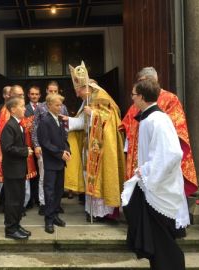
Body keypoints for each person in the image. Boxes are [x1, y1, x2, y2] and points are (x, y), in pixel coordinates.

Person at [122, 78, 188, 270]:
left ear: (141, 97)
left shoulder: (157, 120)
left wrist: (147, 172)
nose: (132, 99)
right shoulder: (149, 118)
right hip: (152, 188)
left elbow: (172, 154)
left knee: (162, 243)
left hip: (159, 191)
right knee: (155, 242)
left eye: (133, 95)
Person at [63, 61, 125, 222]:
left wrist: (94, 115)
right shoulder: (87, 101)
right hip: (89, 147)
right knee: (89, 177)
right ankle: (93, 211)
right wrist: (63, 121)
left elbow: (111, 121)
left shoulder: (102, 98)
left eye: (78, 91)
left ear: (85, 88)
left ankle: (105, 213)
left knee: (102, 178)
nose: (77, 95)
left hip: (103, 149)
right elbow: (81, 123)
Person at [121, 67, 198, 196]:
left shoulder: (169, 100)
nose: (133, 97)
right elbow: (128, 124)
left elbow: (176, 130)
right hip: (139, 154)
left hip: (158, 156)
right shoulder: (136, 104)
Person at [0, 85, 37, 215]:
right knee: (13, 191)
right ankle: (13, 218)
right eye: (19, 95)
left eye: (23, 95)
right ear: (11, 96)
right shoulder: (6, 113)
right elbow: (7, 139)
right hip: (13, 157)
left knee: (21, 189)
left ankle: (18, 212)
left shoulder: (18, 114)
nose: (22, 98)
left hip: (21, 155)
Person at [31, 81, 69, 215]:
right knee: (45, 179)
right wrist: (36, 145)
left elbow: (65, 129)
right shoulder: (41, 108)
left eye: (55, 91)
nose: (53, 93)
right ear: (47, 91)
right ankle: (44, 204)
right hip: (46, 150)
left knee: (58, 184)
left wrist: (66, 149)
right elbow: (35, 128)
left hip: (59, 151)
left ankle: (56, 206)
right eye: (51, 91)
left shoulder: (62, 107)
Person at [1, 97, 33, 240]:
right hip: (12, 171)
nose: (25, 108)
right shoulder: (9, 126)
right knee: (13, 200)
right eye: (22, 106)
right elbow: (7, 148)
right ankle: (10, 229)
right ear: (13, 109)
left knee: (19, 199)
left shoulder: (17, 124)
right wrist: (25, 151)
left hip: (18, 170)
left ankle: (16, 224)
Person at [38, 94, 70, 234]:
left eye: (61, 105)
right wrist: (59, 153)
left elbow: (64, 138)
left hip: (60, 163)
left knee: (58, 191)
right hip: (51, 162)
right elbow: (45, 143)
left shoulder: (59, 119)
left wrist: (67, 150)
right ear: (49, 105)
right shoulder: (45, 121)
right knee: (49, 192)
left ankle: (55, 215)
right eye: (57, 105)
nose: (60, 107)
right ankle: (48, 219)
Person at [25, 85, 41, 208]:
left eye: (36, 94)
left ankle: (40, 199)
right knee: (31, 173)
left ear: (40, 95)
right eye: (32, 94)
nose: (34, 96)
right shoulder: (24, 109)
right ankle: (30, 200)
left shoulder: (43, 107)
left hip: (41, 145)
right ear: (28, 95)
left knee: (41, 174)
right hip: (29, 145)